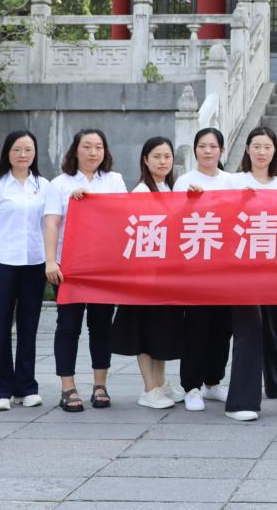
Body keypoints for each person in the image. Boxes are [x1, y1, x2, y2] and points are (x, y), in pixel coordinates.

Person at [0, 130, 62, 412]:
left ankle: (25, 386)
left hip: (34, 263)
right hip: (2, 262)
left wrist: (51, 260)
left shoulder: (44, 186)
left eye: (28, 149)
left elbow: (50, 225)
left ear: (35, 153)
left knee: (29, 325)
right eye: (17, 149)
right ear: (7, 153)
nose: (23, 154)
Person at [46, 129, 126, 412]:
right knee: (68, 326)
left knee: (101, 326)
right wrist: (50, 261)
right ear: (75, 151)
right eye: (87, 147)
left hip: (103, 267)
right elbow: (52, 223)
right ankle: (68, 388)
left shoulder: (114, 180)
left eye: (98, 147)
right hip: (69, 267)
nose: (93, 152)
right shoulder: (59, 184)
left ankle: (100, 385)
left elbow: (124, 215)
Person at [111, 136, 186, 410]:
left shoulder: (172, 188)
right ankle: (149, 388)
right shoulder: (141, 192)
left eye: (167, 156)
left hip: (167, 276)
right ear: (145, 160)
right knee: (143, 331)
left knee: (160, 331)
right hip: (144, 276)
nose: (163, 161)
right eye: (157, 156)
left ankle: (161, 383)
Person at [233, 126, 277, 414]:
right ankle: (243, 395)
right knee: (250, 326)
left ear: (274, 151)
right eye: (256, 146)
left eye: (267, 147)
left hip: (274, 265)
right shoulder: (234, 181)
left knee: (273, 323)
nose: (261, 152)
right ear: (247, 149)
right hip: (242, 268)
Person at [173, 127, 235, 412]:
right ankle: (192, 386)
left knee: (222, 329)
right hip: (195, 268)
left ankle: (213, 382)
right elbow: (174, 219)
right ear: (195, 149)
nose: (207, 151)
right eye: (202, 146)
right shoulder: (184, 181)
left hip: (225, 268)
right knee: (196, 327)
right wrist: (189, 200)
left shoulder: (231, 181)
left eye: (213, 146)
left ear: (222, 150)